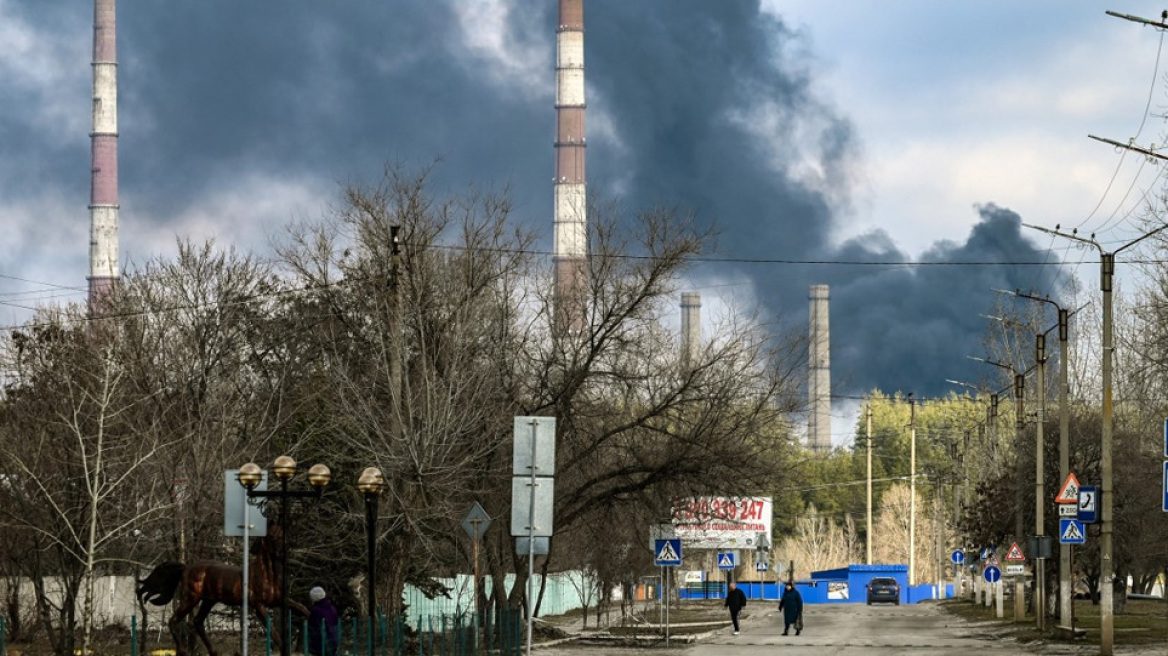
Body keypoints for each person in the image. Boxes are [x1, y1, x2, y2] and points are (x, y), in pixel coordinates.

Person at [307, 586, 340, 656]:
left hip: (321, 645)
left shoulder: (315, 611)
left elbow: (313, 628)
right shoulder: (332, 608)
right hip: (334, 642)